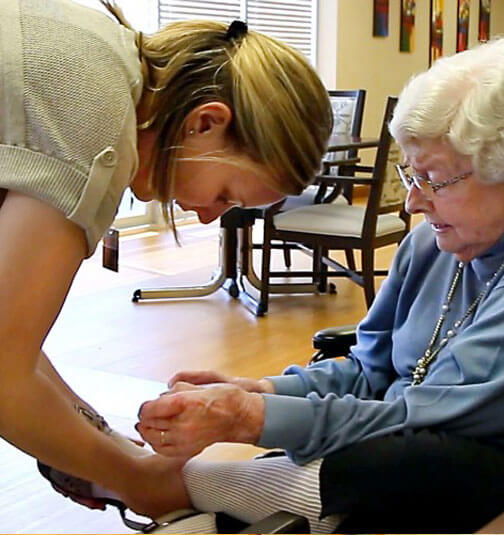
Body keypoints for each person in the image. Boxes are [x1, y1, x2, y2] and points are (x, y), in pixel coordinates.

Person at [135, 36, 504, 532]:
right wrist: (262, 388)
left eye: (434, 179)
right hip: (403, 442)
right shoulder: (430, 247)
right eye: (410, 175)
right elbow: (369, 371)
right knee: (348, 462)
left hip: (487, 461)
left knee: (403, 462)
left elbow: (424, 419)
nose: (412, 203)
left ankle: (175, 486)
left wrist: (252, 417)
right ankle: (233, 500)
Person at [0, 0, 333, 523]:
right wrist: (136, 479)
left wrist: (102, 442)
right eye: (225, 194)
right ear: (206, 122)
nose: (206, 218)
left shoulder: (94, 53)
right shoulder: (92, 116)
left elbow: (9, 342)